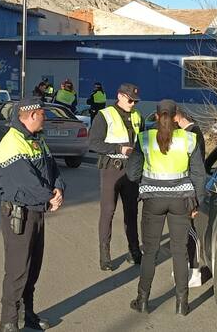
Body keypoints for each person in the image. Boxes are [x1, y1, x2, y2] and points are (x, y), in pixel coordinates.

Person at [125, 99, 206, 316]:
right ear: (175, 115)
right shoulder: (190, 139)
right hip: (181, 200)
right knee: (180, 251)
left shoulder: (144, 138)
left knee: (150, 251)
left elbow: (132, 174)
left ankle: (142, 300)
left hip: (153, 201)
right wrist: (197, 201)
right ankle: (182, 303)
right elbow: (199, 174)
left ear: (157, 116)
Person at [0, 98, 65, 332]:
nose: (45, 117)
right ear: (32, 115)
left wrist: (59, 188)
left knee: (33, 267)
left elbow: (52, 167)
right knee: (17, 270)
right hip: (20, 214)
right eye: (43, 113)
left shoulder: (36, 138)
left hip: (36, 211)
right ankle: (8, 322)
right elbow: (26, 182)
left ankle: (28, 315)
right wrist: (49, 197)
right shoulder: (11, 143)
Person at [88, 82, 144, 270]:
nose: (133, 104)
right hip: (112, 168)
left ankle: (134, 251)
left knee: (132, 212)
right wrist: (118, 149)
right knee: (108, 211)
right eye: (130, 100)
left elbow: (142, 142)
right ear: (120, 96)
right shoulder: (104, 115)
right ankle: (105, 256)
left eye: (135, 101)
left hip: (132, 169)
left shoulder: (138, 116)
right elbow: (94, 143)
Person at [174, 105, 207, 283]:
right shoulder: (193, 131)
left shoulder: (192, 133)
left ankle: (194, 271)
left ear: (176, 118)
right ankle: (187, 268)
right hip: (185, 189)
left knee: (190, 231)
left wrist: (196, 199)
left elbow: (197, 169)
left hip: (190, 191)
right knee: (183, 232)